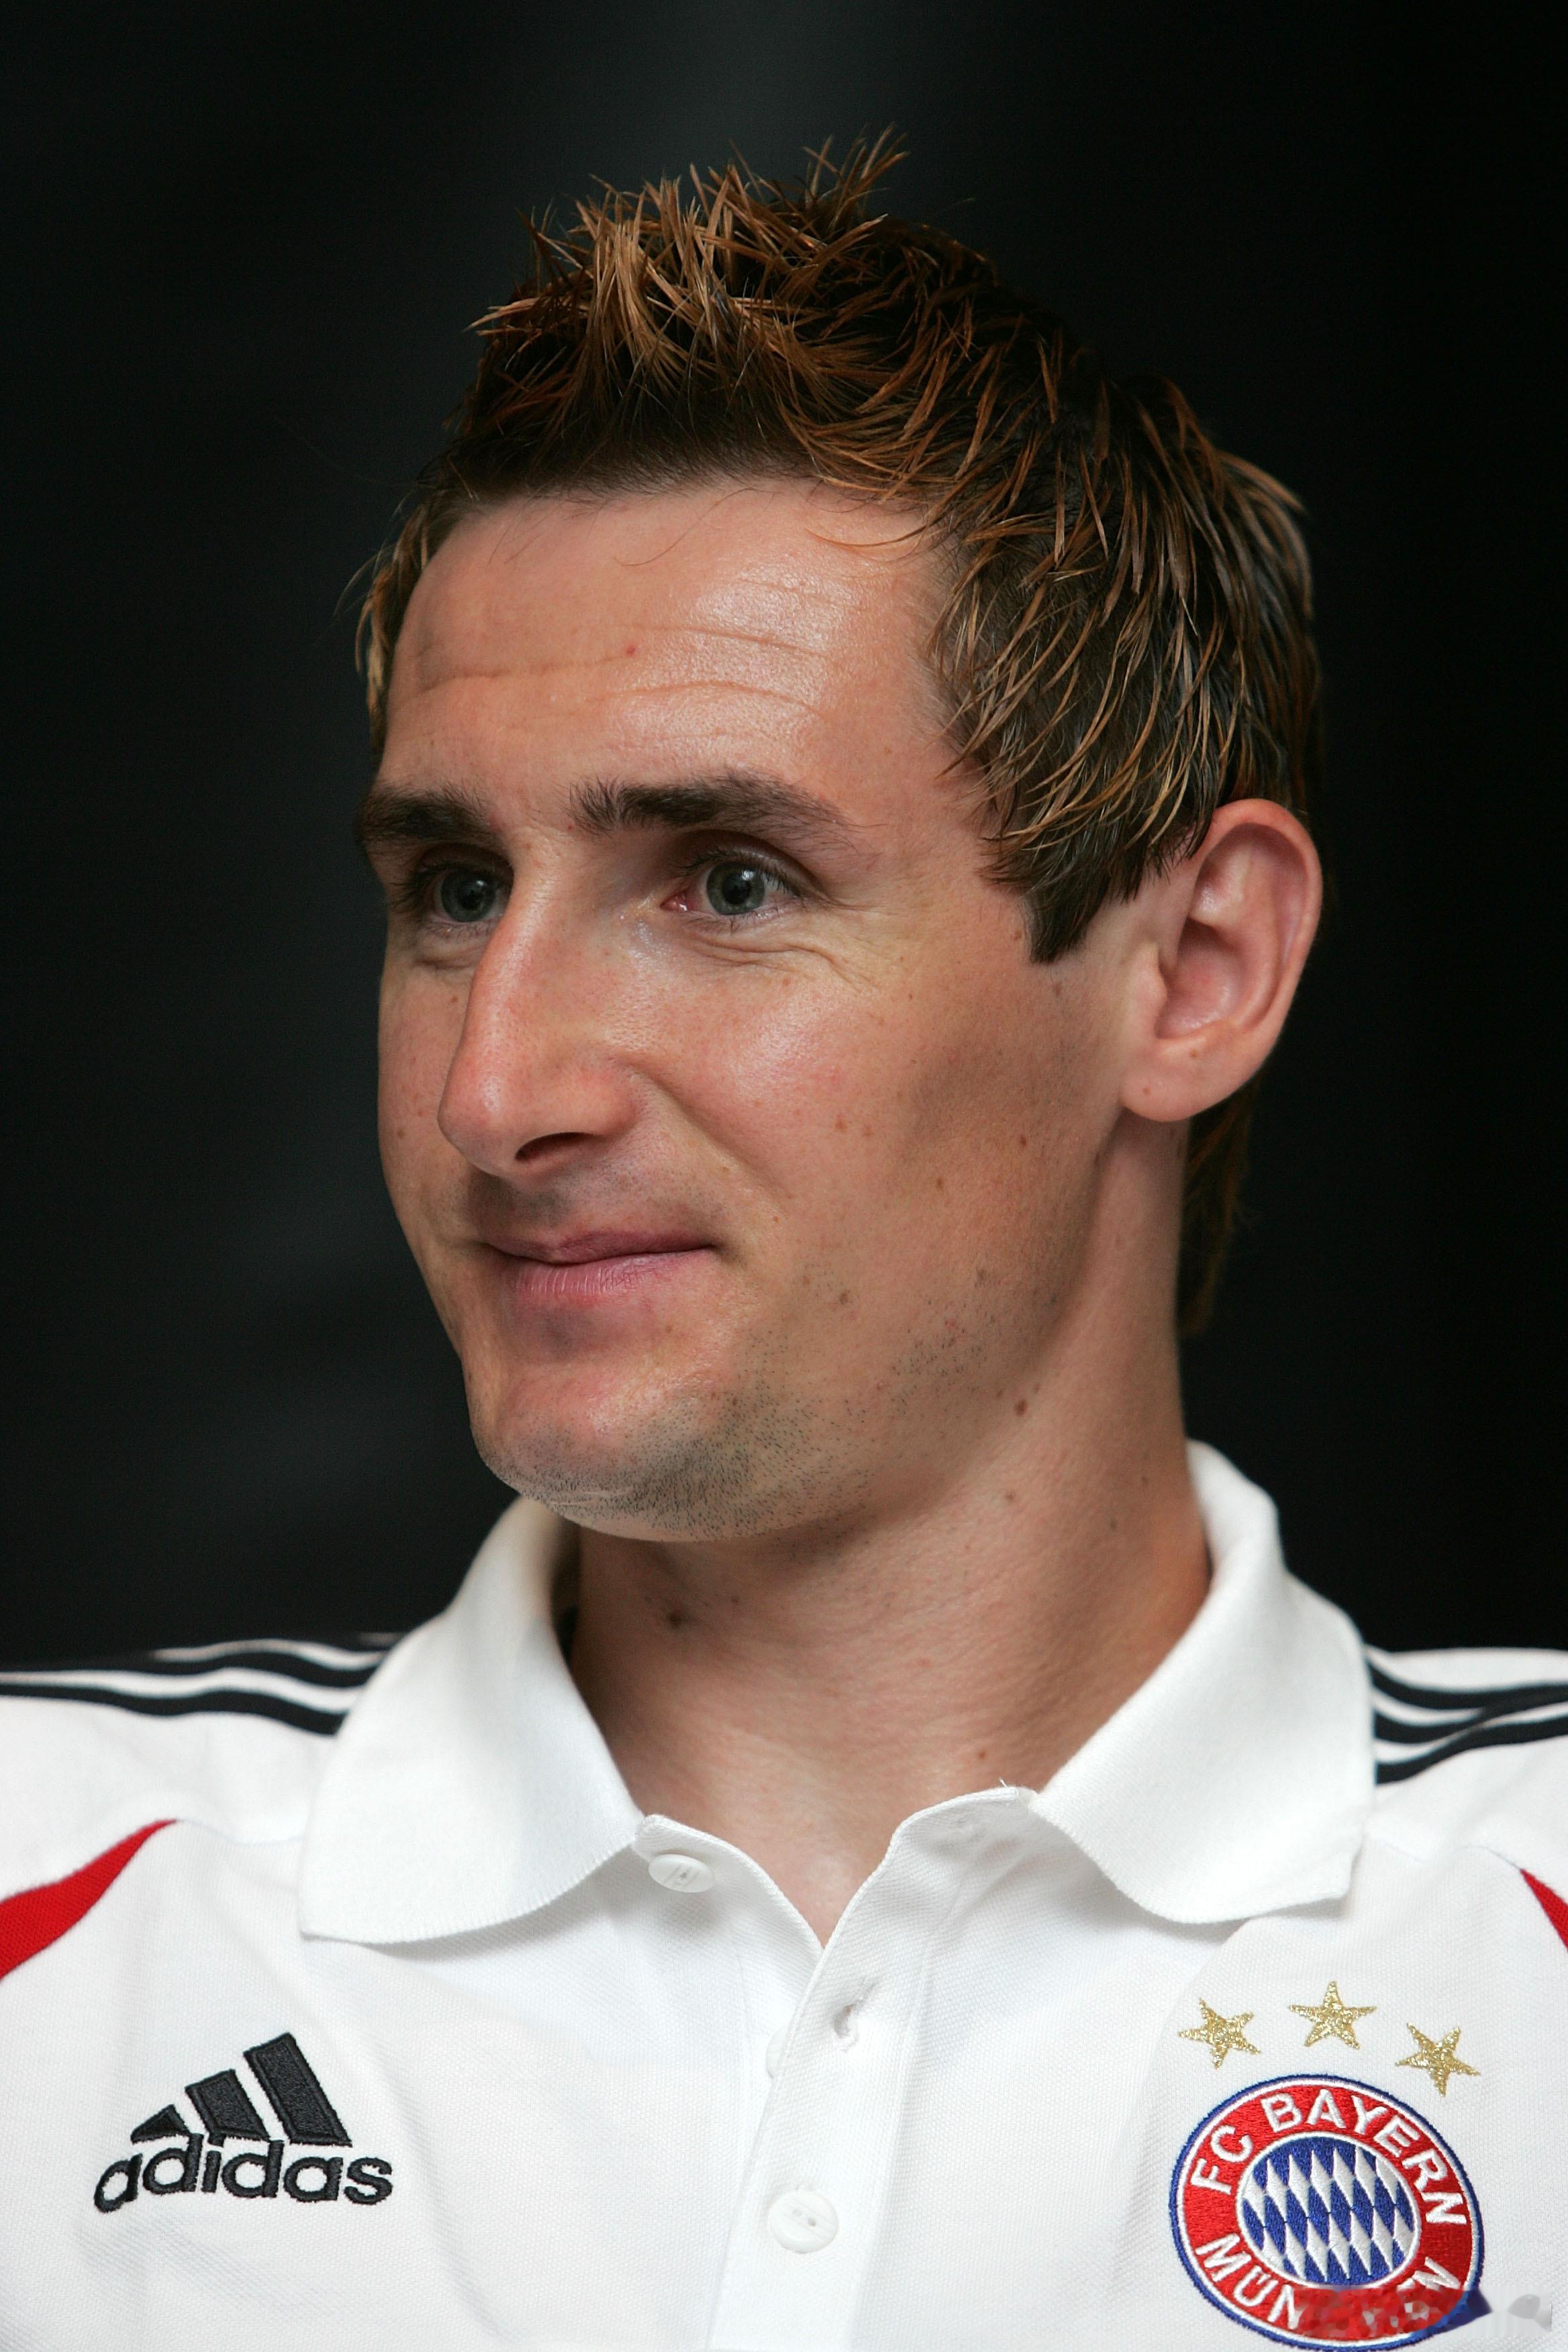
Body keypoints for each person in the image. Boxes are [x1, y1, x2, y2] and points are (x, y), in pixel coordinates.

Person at [1, 144, 1563, 2352]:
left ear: (1195, 968)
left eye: (729, 883)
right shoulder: (46, 1911)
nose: (493, 1090)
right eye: (455, 890)